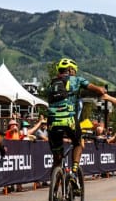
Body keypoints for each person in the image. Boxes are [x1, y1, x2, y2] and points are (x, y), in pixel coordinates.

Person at [46, 57, 109, 193]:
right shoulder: (77, 80)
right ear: (70, 70)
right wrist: (102, 90)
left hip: (52, 122)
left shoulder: (51, 84)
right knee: (78, 143)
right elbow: (95, 89)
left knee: (57, 159)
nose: (74, 72)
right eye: (74, 70)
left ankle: (54, 192)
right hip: (69, 120)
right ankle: (74, 172)